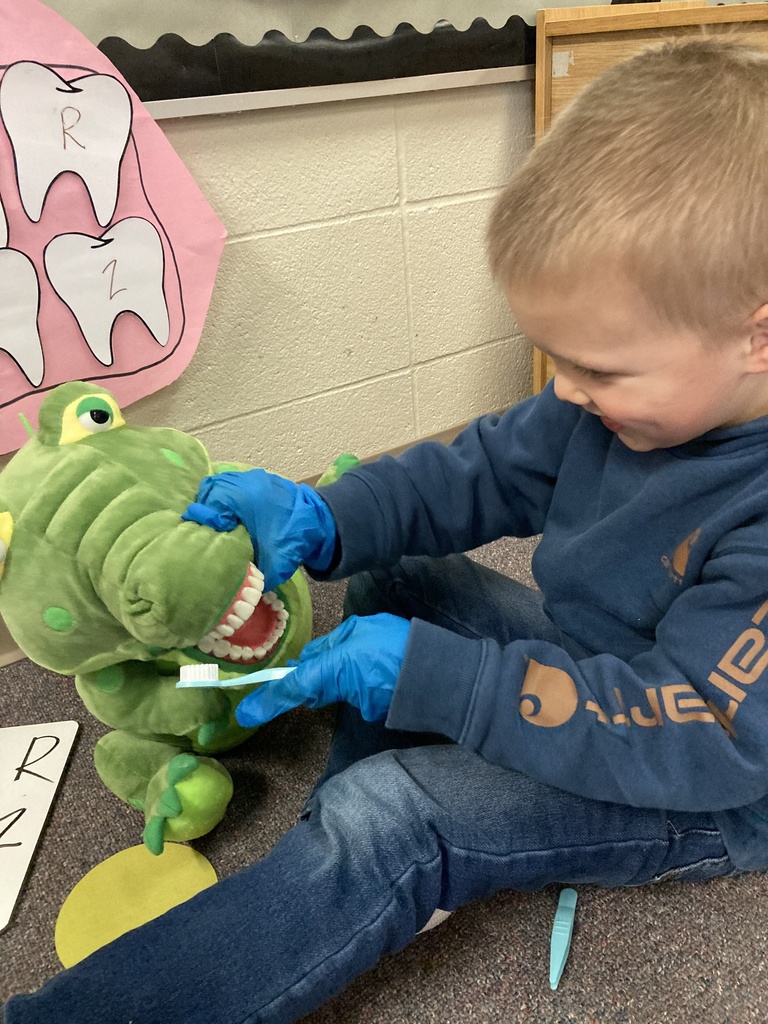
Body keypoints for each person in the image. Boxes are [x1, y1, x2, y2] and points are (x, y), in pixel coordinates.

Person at [6, 35, 768, 1024]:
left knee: (394, 816)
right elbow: (481, 469)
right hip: (599, 666)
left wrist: (444, 680)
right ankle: (356, 858)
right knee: (398, 567)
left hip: (700, 776)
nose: (567, 394)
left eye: (603, 371)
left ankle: (366, 853)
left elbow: (702, 729)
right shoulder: (603, 403)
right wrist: (326, 516)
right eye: (555, 358)